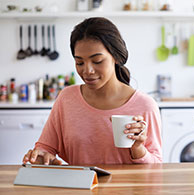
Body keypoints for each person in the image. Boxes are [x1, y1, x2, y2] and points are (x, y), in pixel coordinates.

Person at [22, 17, 162, 165]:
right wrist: (40, 157)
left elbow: (157, 168)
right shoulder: (67, 98)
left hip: (126, 188)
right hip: (80, 187)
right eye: (79, 62)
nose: (87, 71)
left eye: (97, 61)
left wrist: (138, 149)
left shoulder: (144, 105)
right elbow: (46, 148)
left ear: (115, 57)